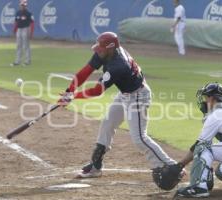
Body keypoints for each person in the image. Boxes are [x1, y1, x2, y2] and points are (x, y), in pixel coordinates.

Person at [58, 32, 183, 189]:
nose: (98, 51)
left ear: (110, 48)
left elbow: (97, 91)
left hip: (138, 96)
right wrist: (69, 90)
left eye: (101, 49)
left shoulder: (118, 65)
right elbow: (86, 70)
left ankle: (172, 166)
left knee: (139, 137)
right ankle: (95, 167)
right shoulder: (106, 52)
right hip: (125, 93)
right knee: (107, 124)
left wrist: (73, 96)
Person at [10, 0, 34, 67]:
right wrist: (14, 30)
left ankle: (27, 61)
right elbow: (16, 22)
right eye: (22, 5)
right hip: (19, 29)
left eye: (24, 5)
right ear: (20, 5)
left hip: (26, 29)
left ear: (26, 6)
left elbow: (32, 23)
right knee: (18, 45)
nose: (23, 6)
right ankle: (17, 61)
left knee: (26, 46)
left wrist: (31, 32)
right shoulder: (18, 13)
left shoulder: (29, 13)